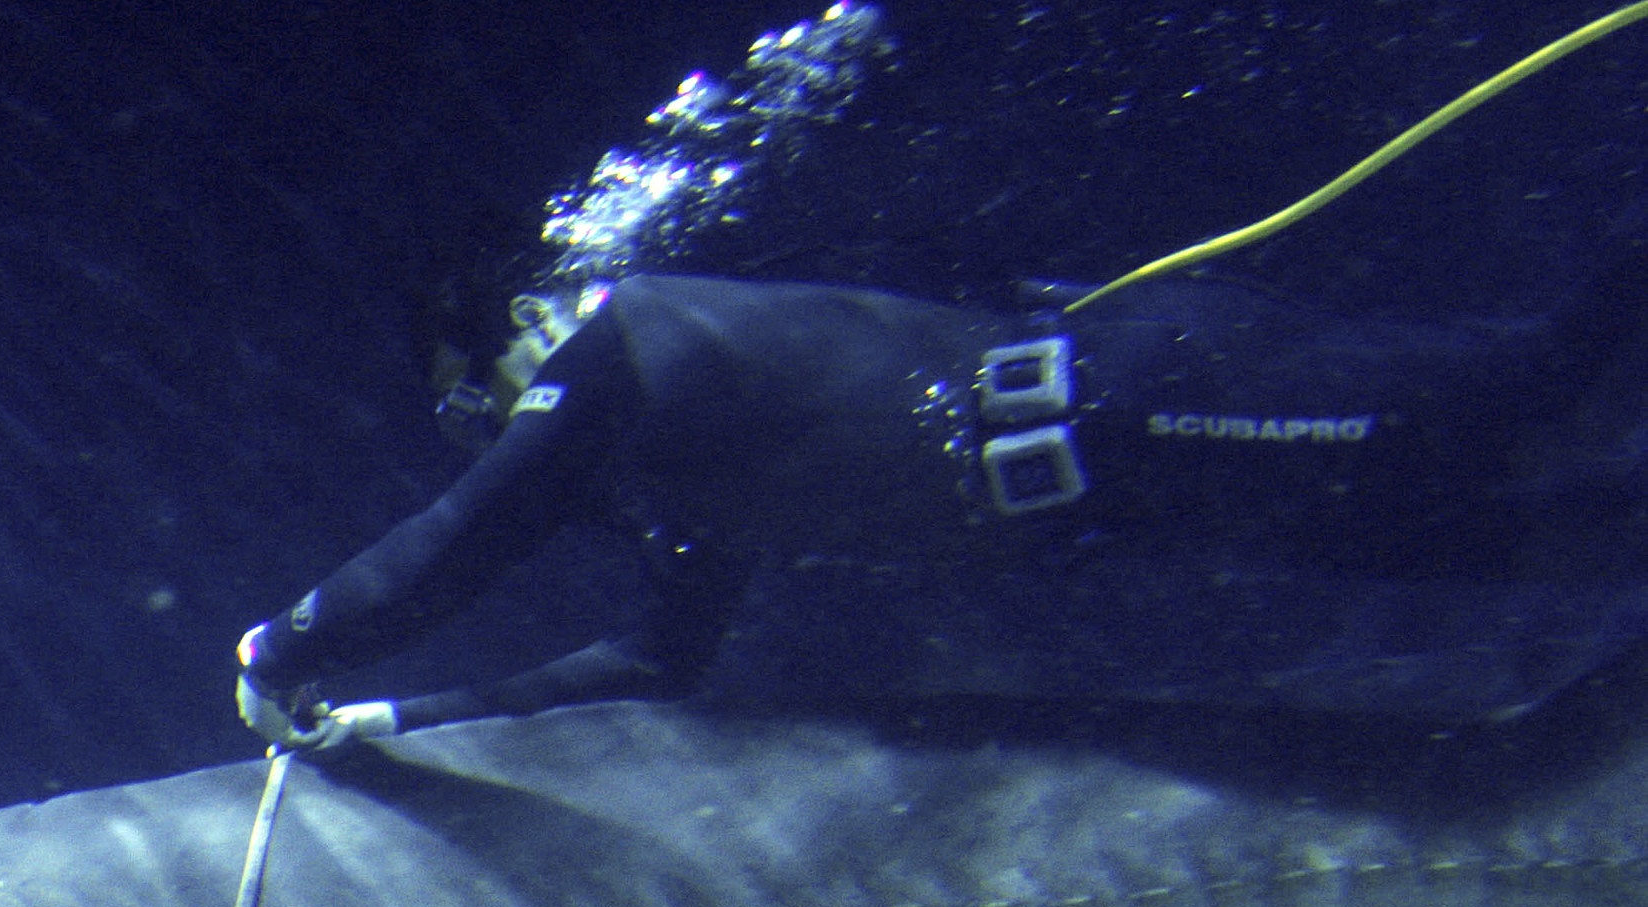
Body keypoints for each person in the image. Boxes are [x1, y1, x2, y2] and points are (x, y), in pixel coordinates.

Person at [234, 262, 1648, 748]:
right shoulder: (689, 478)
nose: (488, 426)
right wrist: (402, 719)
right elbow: (656, 666)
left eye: (473, 393)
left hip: (1149, 397)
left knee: (1536, 392)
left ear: (525, 325)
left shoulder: (631, 344)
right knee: (1536, 543)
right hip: (1154, 501)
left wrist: (284, 648)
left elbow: (470, 535)